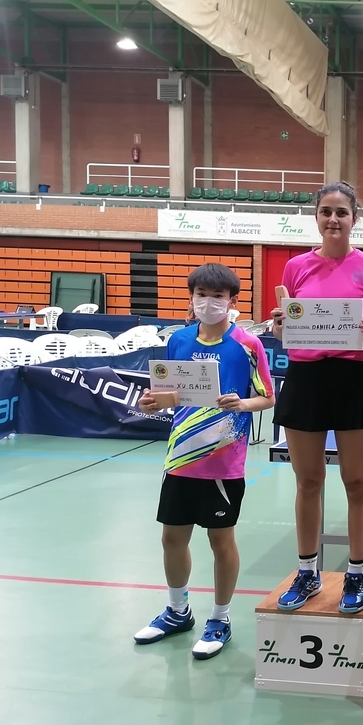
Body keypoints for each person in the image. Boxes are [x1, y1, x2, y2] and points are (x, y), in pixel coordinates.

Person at [134, 263, 275, 658]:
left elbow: (268, 396)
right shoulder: (177, 340)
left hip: (223, 462)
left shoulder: (248, 345)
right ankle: (178, 612)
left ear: (233, 301)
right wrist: (149, 404)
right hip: (179, 458)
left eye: (217, 296)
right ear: (191, 298)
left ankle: (221, 618)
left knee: (220, 540)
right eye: (201, 295)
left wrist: (242, 402)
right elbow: (169, 395)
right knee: (171, 538)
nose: (208, 303)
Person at [270, 181, 363, 613]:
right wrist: (280, 326)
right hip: (305, 379)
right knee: (308, 481)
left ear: (355, 218)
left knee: (356, 480)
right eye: (326, 211)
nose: (334, 219)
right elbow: (286, 330)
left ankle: (356, 574)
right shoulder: (295, 268)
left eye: (342, 211)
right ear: (316, 217)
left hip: (351, 377)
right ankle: (307, 573)